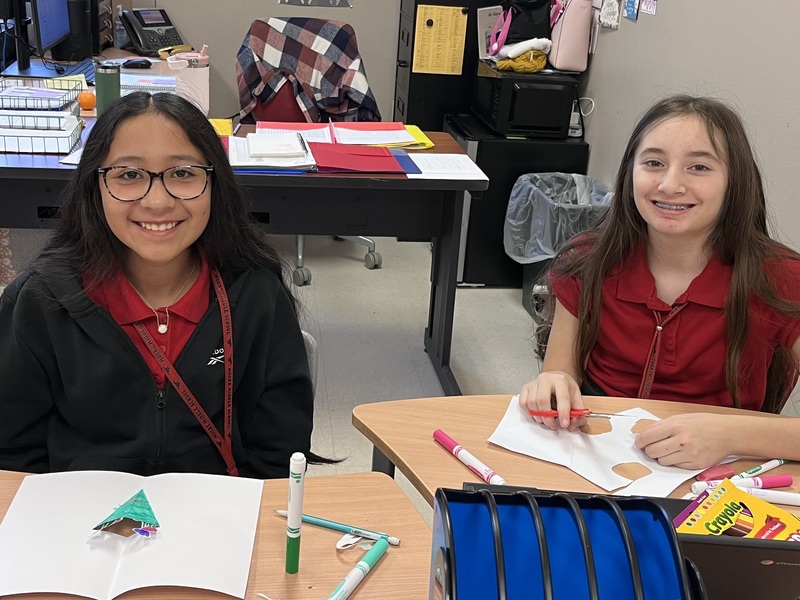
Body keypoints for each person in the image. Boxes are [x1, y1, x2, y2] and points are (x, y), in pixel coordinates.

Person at [0, 92, 320, 479]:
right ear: (95, 185)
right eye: (129, 175)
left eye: (183, 173)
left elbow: (280, 455)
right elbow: (12, 458)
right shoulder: (41, 301)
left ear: (214, 183)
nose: (156, 202)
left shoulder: (255, 296)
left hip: (218, 521)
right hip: (78, 524)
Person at [519, 94, 800, 470]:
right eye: (653, 163)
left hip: (720, 471)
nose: (670, 185)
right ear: (629, 172)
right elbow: (560, 370)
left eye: (698, 167)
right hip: (596, 456)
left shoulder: (780, 278)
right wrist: (552, 383)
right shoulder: (586, 260)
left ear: (735, 182)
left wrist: (730, 435)